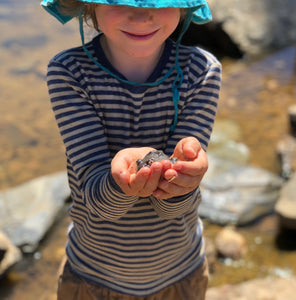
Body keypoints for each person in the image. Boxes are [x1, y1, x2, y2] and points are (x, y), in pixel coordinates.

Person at [41, 0, 221, 299]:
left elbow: (172, 208)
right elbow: (99, 204)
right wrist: (120, 183)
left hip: (179, 272)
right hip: (93, 275)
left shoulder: (200, 72)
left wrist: (184, 180)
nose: (140, 16)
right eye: (119, 0)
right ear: (88, 5)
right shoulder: (69, 73)